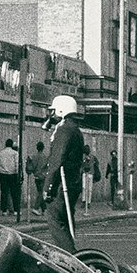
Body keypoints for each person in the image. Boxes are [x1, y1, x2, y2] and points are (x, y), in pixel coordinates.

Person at [38, 94, 86, 251]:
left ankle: (70, 254)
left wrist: (48, 187)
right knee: (66, 219)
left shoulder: (64, 130)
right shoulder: (74, 129)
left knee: (55, 219)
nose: (50, 115)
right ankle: (71, 252)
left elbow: (57, 160)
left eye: (53, 112)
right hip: (73, 181)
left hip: (62, 184)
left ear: (60, 110)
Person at [0, 137, 23, 216]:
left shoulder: (1, 153)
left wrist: (0, 169)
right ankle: (15, 210)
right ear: (12, 145)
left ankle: (4, 211)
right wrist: (18, 174)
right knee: (14, 193)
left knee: (4, 192)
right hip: (13, 174)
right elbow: (17, 164)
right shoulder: (15, 153)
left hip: (3, 174)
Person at [27, 140, 46, 209]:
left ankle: (44, 209)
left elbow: (32, 167)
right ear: (43, 148)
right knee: (41, 193)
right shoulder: (44, 157)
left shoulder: (34, 157)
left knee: (40, 191)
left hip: (36, 177)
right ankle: (36, 208)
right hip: (43, 176)